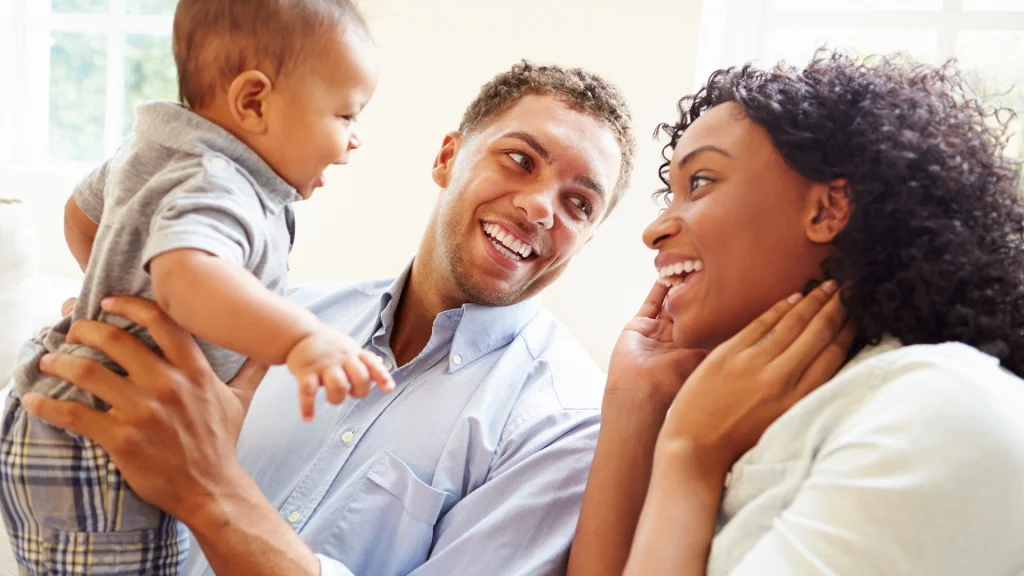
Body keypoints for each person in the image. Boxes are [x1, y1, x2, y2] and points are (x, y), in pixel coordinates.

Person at [18, 60, 637, 575]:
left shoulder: (564, 431)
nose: (538, 208)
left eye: (579, 203)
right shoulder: (281, 312)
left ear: (586, 240)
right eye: (521, 160)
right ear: (447, 157)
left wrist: (209, 489)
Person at [569, 51, 1024, 575]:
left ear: (827, 210)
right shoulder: (761, 422)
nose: (654, 230)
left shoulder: (935, 411)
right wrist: (636, 403)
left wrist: (688, 459)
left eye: (700, 182)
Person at [0, 1, 386, 572]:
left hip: (74, 423)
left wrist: (116, 289)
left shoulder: (157, 149)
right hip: (103, 442)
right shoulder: (219, 182)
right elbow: (185, 277)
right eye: (346, 116)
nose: (354, 141)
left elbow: (82, 215)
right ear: (253, 102)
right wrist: (302, 339)